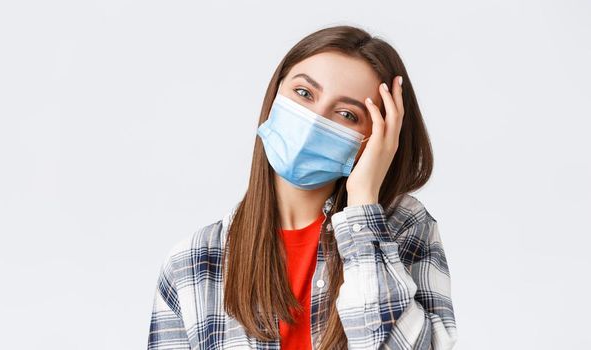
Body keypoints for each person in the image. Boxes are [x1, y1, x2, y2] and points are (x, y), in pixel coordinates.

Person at [147, 25, 457, 349]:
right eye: (304, 93)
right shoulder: (192, 263)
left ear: (377, 137)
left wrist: (364, 203)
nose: (314, 121)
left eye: (347, 114)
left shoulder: (403, 227)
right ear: (276, 92)